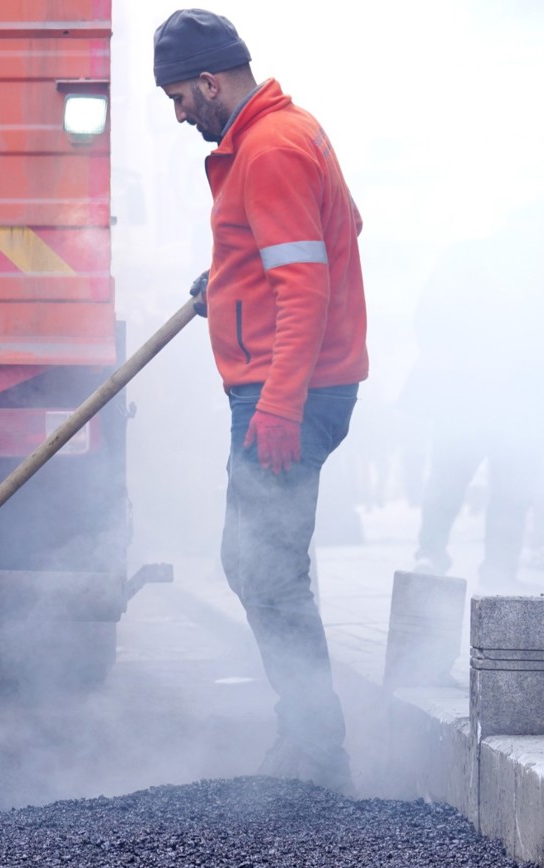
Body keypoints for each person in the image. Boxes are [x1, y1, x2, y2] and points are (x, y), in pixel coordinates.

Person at [155, 9, 368, 794]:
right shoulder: (283, 134)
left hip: (289, 391)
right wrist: (229, 280)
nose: (180, 115)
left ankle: (319, 757)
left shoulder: (271, 148)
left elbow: (305, 284)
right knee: (250, 561)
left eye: (180, 98)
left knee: (266, 571)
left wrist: (280, 404)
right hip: (290, 383)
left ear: (211, 82)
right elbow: (328, 233)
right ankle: (304, 734)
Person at [404, 202, 544, 593]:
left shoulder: (462, 256)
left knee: (450, 477)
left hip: (468, 394)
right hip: (510, 397)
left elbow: (426, 317)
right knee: (508, 488)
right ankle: (495, 570)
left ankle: (432, 556)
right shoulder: (534, 265)